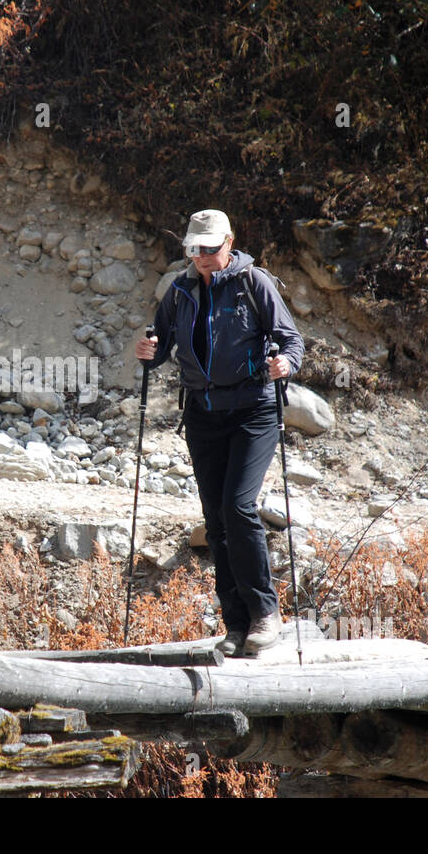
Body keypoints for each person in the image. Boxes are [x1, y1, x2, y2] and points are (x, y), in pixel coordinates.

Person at [135, 209, 305, 656]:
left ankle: (266, 613)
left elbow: (292, 341)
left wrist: (285, 363)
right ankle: (235, 624)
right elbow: (160, 351)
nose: (203, 256)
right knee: (215, 522)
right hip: (202, 415)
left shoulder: (255, 284)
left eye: (211, 248)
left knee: (238, 507)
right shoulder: (180, 290)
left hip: (254, 411)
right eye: (195, 248)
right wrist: (147, 352)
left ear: (230, 242)